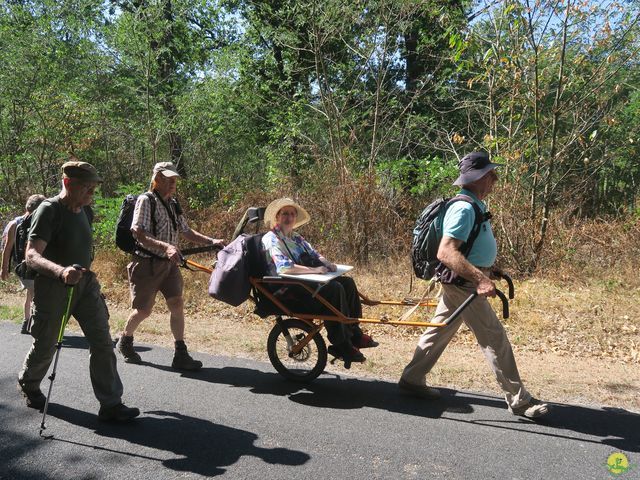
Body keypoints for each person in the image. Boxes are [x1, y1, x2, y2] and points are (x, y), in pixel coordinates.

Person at [399, 151, 549, 419]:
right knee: (494, 338)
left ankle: (412, 378)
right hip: (464, 284)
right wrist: (480, 278)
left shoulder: (473, 205)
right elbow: (446, 252)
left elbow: (469, 248)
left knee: (440, 329)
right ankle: (519, 401)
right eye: (491, 174)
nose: (495, 178)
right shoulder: (464, 208)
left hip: (461, 280)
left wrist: (489, 269)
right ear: (479, 177)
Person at [18, 160, 139, 422]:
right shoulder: (48, 210)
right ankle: (29, 382)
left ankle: (111, 404)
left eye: (94, 189)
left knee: (103, 342)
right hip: (53, 285)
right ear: (67, 183)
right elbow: (31, 255)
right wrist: (60, 271)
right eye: (87, 188)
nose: (91, 194)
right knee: (46, 343)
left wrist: (82, 274)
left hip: (85, 284)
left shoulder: (85, 212)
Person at [116, 162, 225, 370]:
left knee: (176, 303)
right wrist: (166, 247)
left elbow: (186, 231)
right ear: (156, 180)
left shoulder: (173, 203)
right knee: (142, 311)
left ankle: (180, 353)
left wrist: (211, 241)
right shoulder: (145, 200)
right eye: (168, 178)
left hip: (170, 265)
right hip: (146, 264)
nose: (173, 182)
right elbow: (138, 232)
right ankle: (125, 340)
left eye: (174, 178)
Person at [261, 197, 378, 366]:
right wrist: (315, 270)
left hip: (305, 284)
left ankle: (355, 334)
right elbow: (284, 268)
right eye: (285, 214)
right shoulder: (272, 239)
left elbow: (315, 254)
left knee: (348, 283)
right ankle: (342, 344)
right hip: (290, 291)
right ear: (277, 217)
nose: (289, 217)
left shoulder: (296, 237)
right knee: (334, 289)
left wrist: (327, 264)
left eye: (292, 214)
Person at [1, 194, 46, 334]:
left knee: (30, 293)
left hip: (21, 267)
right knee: (37, 295)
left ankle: (26, 322)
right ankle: (33, 323)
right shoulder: (40, 222)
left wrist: (4, 269)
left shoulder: (14, 224)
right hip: (36, 265)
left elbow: (7, 248)